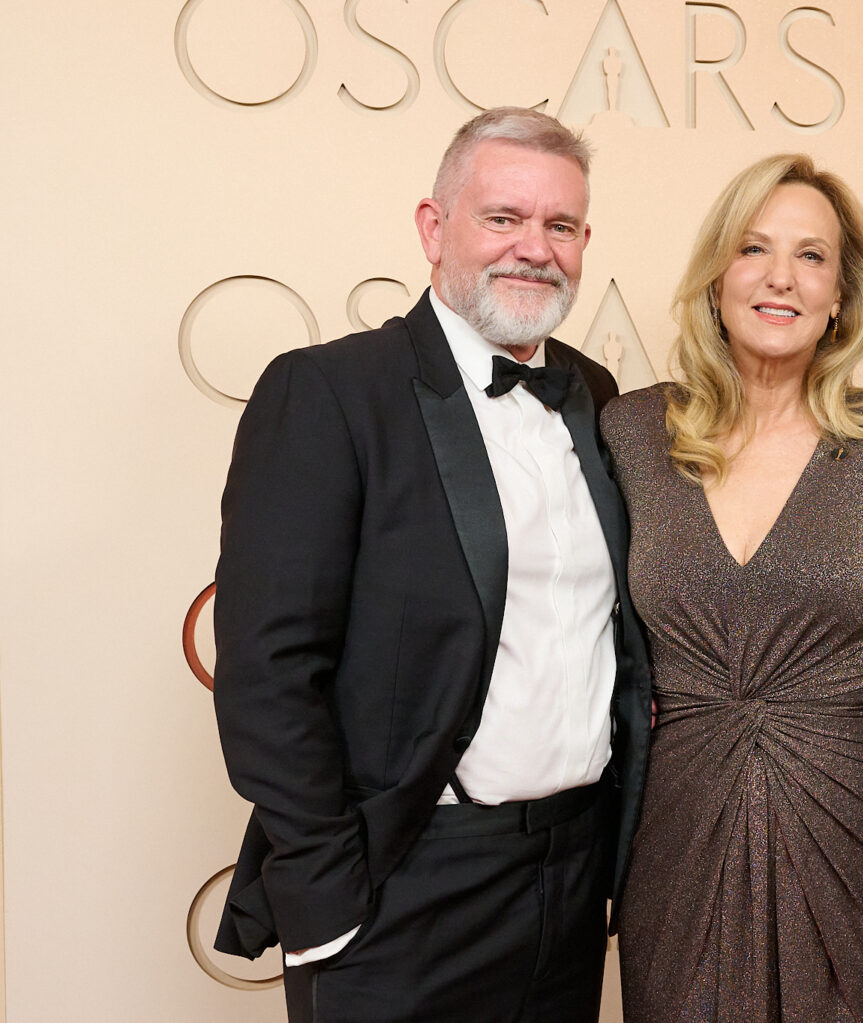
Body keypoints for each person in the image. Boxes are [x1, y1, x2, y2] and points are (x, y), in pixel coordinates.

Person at [211, 106, 651, 1023]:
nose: (534, 248)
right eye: (503, 218)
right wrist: (330, 902)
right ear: (433, 225)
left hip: (570, 883)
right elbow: (267, 671)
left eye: (559, 226)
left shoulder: (592, 396)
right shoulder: (329, 392)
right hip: (403, 884)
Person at [600, 153, 863, 1022]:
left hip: (855, 820)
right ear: (717, 278)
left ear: (841, 296)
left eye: (812, 256)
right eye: (755, 248)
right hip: (677, 819)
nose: (782, 277)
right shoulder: (630, 431)